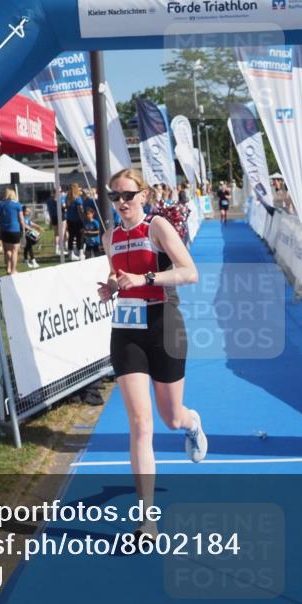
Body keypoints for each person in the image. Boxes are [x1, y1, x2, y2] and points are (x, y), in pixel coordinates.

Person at [97, 168, 206, 540]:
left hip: (165, 326)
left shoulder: (156, 226)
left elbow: (190, 272)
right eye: (114, 197)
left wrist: (145, 280)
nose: (121, 203)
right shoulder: (110, 237)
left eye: (127, 195)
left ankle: (192, 424)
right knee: (141, 424)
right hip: (127, 332)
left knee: (170, 418)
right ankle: (147, 520)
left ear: (142, 195)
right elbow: (119, 276)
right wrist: (111, 287)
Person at [0, 188, 25, 275]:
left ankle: (8, 268)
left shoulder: (0, 204)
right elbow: (21, 219)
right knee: (14, 251)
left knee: (7, 250)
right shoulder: (17, 204)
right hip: (14, 229)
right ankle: (13, 270)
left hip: (4, 230)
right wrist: (23, 229)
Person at [65, 183, 85, 261]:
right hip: (77, 220)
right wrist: (83, 219)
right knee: (79, 237)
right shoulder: (78, 199)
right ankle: (80, 253)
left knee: (71, 237)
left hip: (69, 220)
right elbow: (80, 211)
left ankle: (71, 254)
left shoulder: (67, 198)